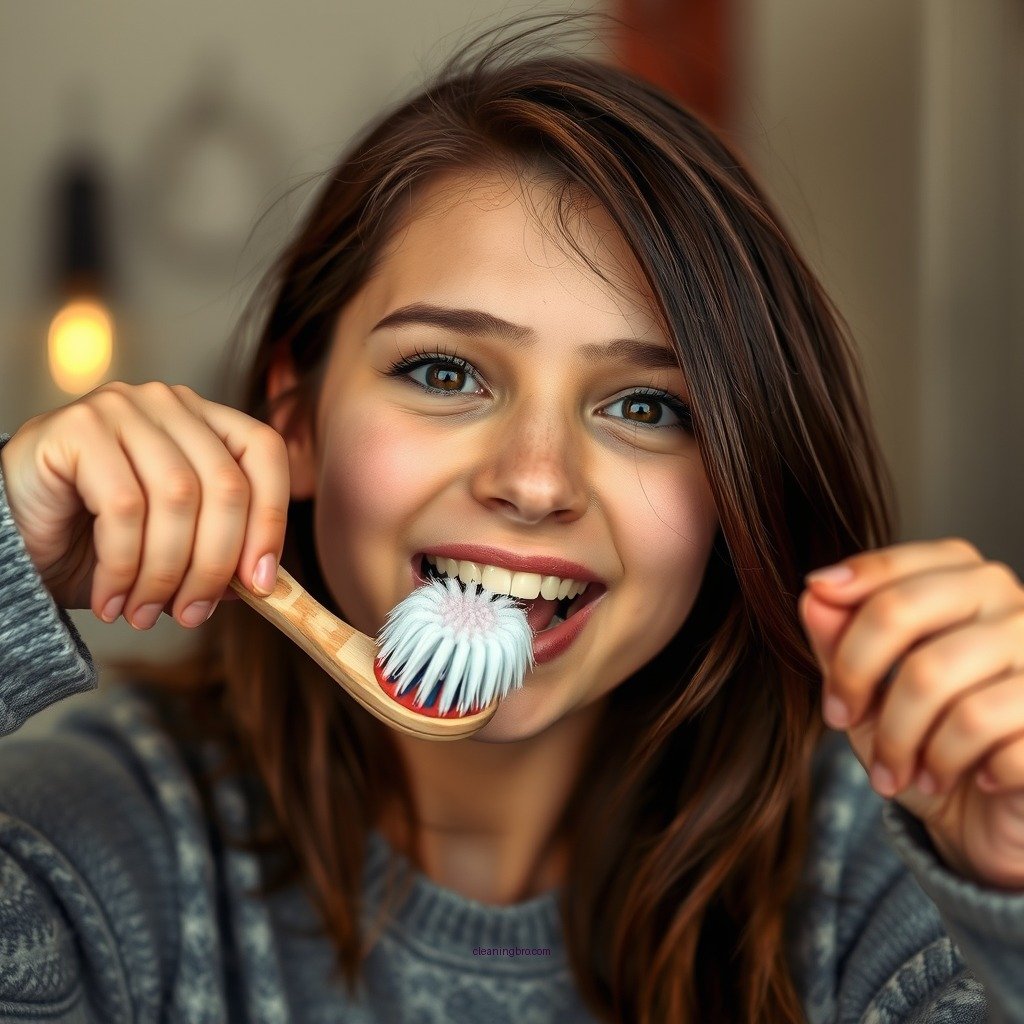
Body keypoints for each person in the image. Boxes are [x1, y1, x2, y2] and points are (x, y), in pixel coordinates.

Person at [1, 11, 1022, 1023]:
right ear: (297, 420)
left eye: (645, 406)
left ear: (735, 481)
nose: (534, 482)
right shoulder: (86, 847)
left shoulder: (890, 880)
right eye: (445, 373)